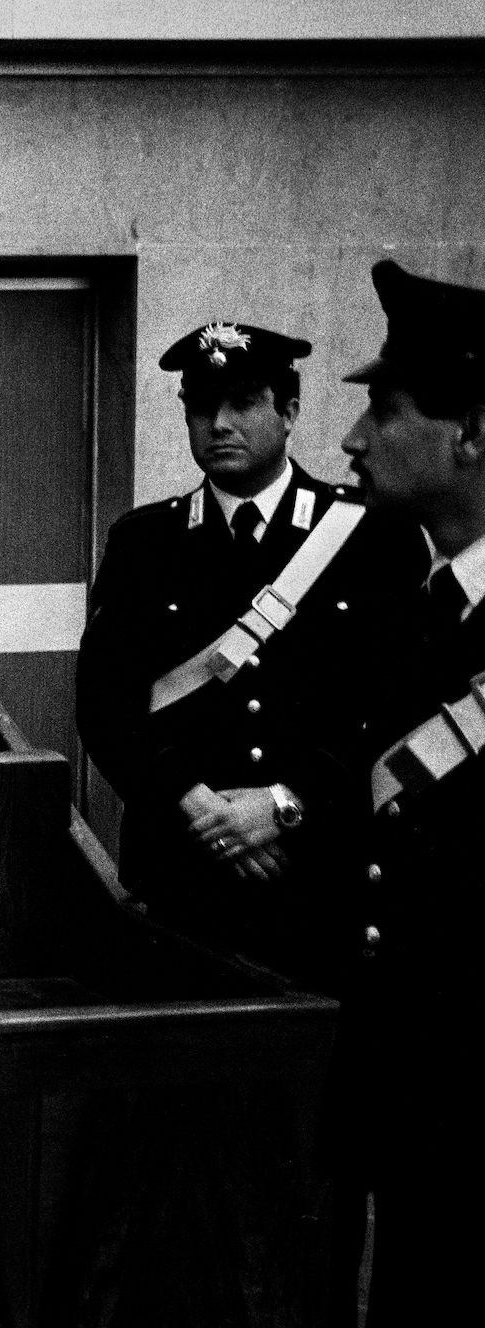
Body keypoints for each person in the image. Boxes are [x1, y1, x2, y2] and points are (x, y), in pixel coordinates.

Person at [78, 320, 425, 984]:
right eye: (202, 407)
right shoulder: (145, 542)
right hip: (182, 872)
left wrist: (288, 805)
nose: (219, 423)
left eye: (242, 403)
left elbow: (392, 707)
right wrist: (200, 808)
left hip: (314, 872)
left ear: (289, 412)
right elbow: (104, 705)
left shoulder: (371, 537)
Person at [331, 260, 485, 1325]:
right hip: (412, 1100)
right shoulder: (409, 608)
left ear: (469, 430)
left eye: (381, 410)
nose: (350, 439)